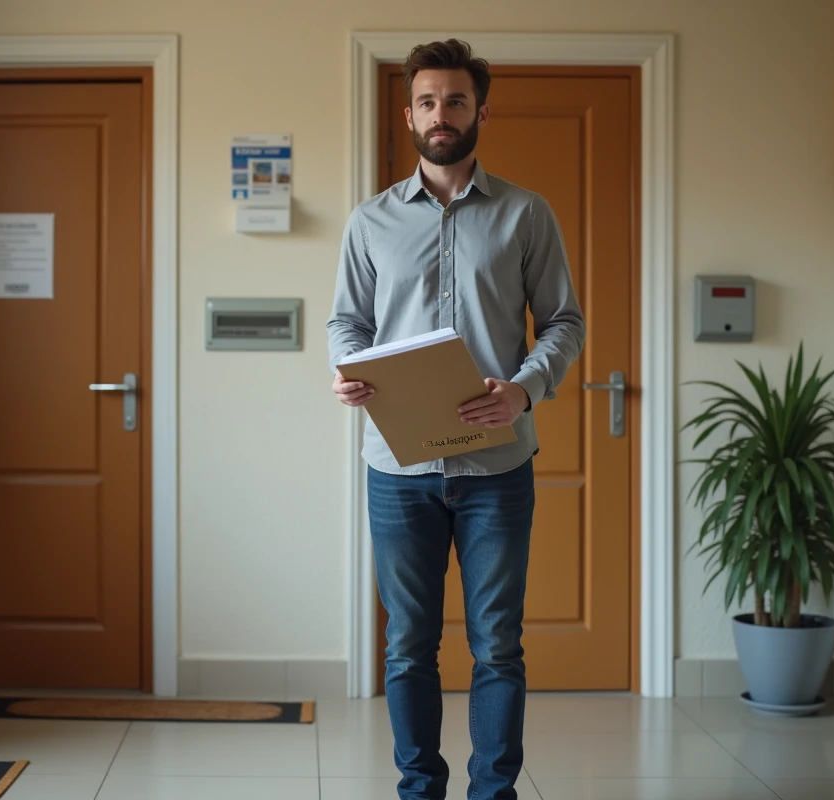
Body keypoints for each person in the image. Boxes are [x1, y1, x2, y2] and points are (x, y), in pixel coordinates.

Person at [325, 39, 586, 800]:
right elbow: (347, 322)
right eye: (428, 101)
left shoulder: (525, 213)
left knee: (497, 645)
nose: (442, 114)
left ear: (480, 113)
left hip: (496, 468)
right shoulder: (369, 221)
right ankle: (419, 789)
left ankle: (492, 793)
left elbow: (563, 322)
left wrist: (525, 389)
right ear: (410, 115)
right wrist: (347, 369)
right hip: (398, 469)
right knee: (408, 646)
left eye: (456, 101)